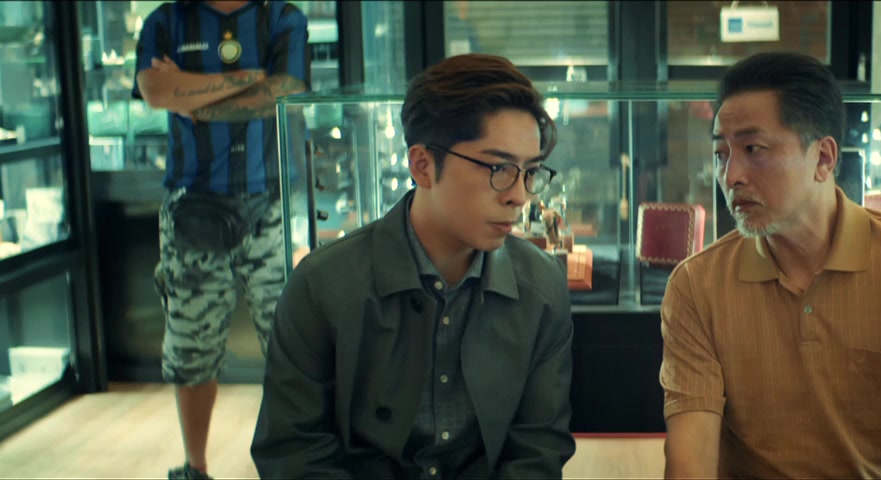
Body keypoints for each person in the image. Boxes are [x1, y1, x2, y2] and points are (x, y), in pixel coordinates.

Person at [660, 52, 881, 479]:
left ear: (824, 158)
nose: (731, 174)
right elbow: (690, 461)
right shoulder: (697, 286)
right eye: (721, 153)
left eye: (754, 149)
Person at [250, 53, 576, 479]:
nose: (520, 195)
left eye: (529, 171)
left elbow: (539, 449)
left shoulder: (542, 287)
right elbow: (294, 453)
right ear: (422, 165)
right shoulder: (321, 286)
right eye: (499, 168)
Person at [132, 1, 310, 479]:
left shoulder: (282, 17)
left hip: (274, 204)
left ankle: (297, 464)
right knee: (191, 348)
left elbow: (285, 90)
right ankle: (195, 468)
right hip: (192, 205)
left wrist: (190, 96)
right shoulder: (165, 21)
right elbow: (154, 90)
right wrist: (250, 78)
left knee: (294, 344)